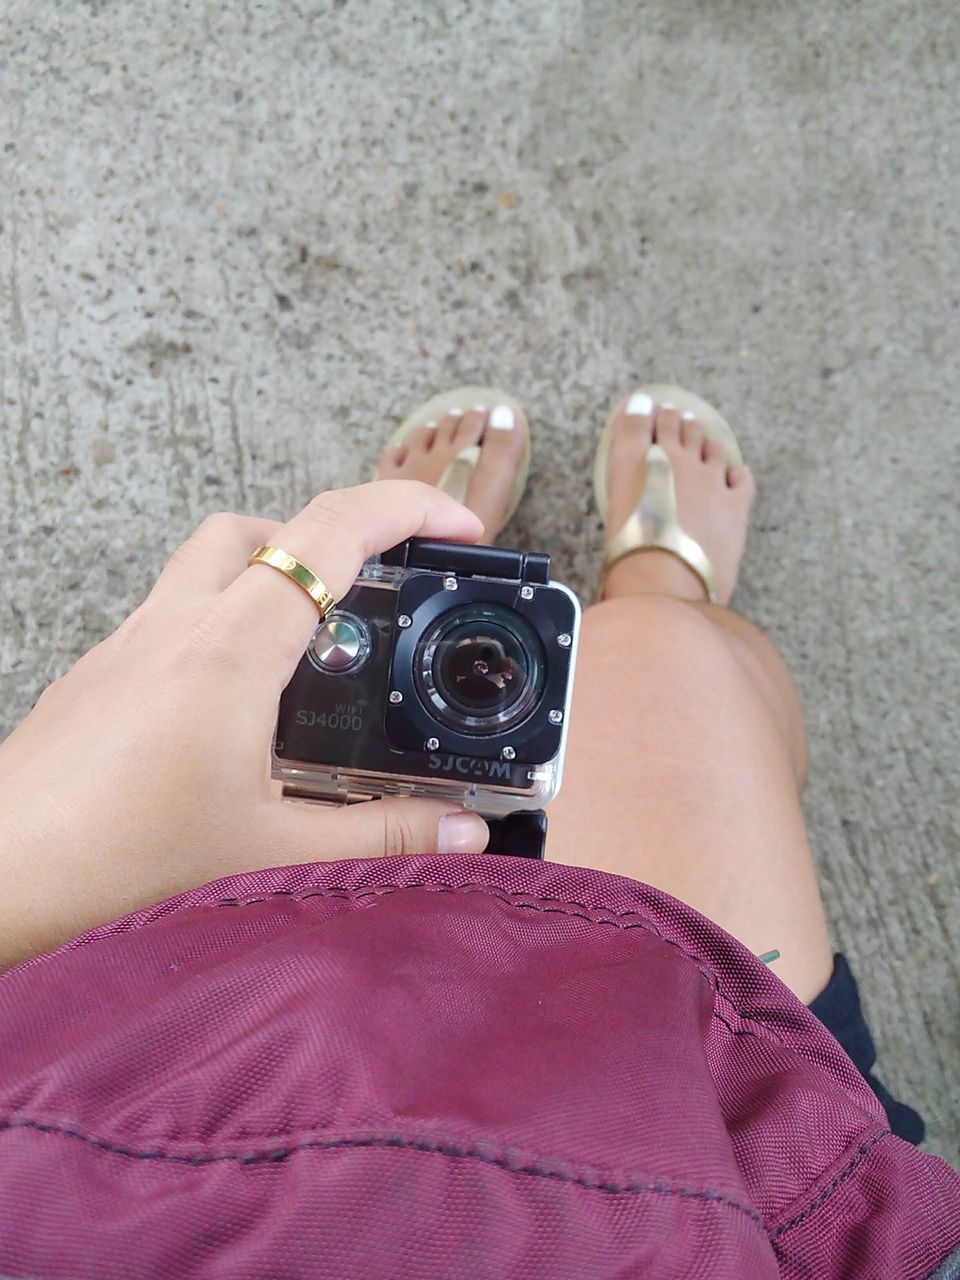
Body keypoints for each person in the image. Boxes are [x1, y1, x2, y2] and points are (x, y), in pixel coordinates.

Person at [0, 386, 958, 1279]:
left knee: (385, 689)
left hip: (195, 1037)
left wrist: (25, 890)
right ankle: (651, 578)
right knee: (672, 661)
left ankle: (423, 592)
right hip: (714, 1134)